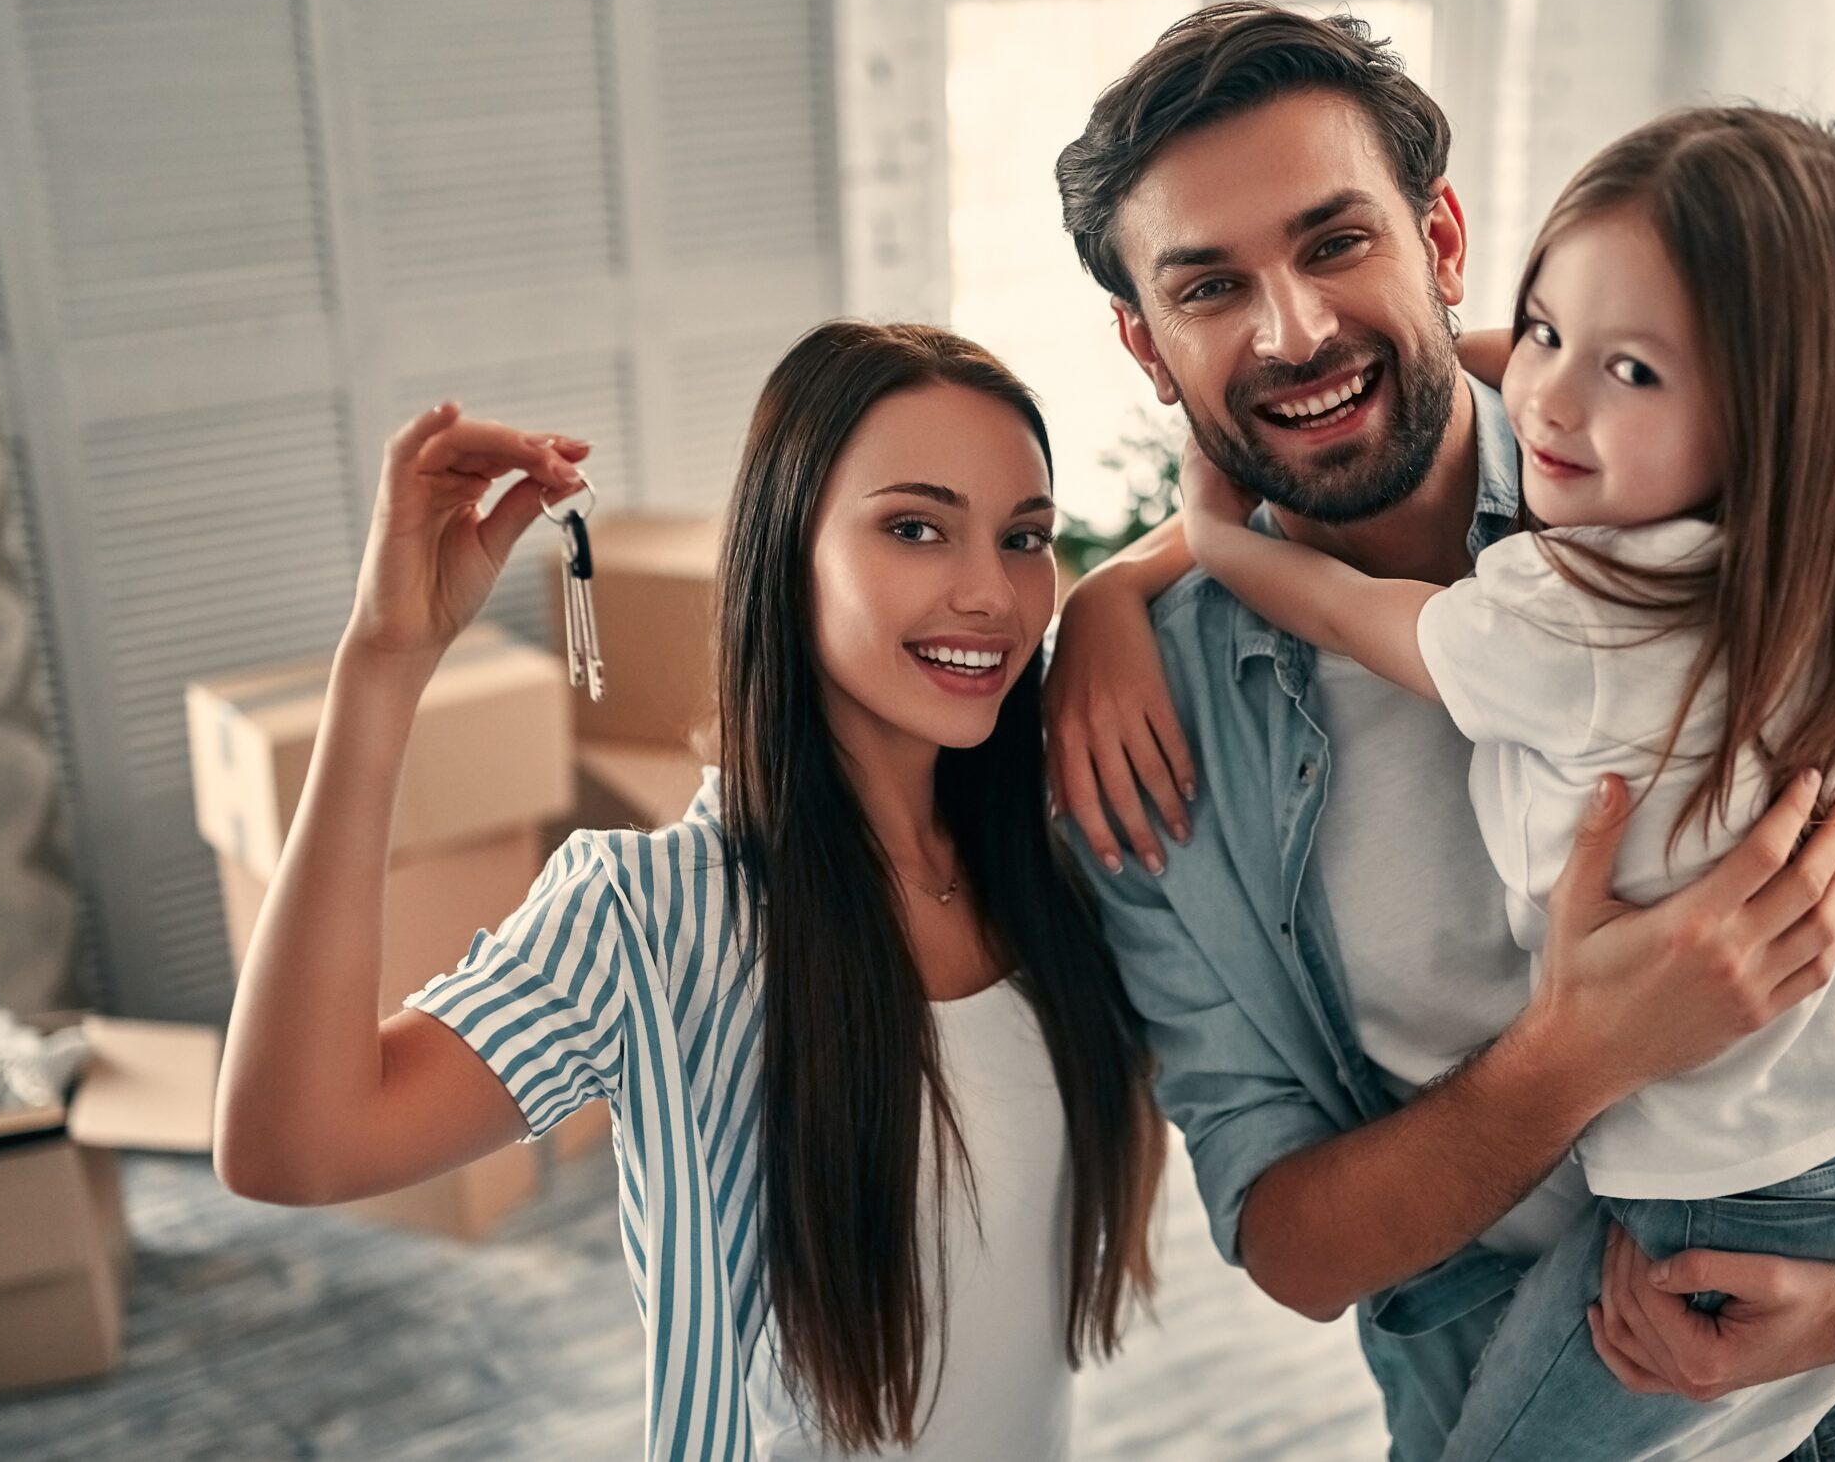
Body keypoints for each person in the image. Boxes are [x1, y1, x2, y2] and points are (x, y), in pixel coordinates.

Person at [1037, 0, 1835, 1461]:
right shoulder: (1147, 732)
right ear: (1144, 341)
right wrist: (1586, 1048)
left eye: (1336, 242)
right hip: (1535, 1404)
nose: (1295, 328)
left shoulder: (1777, 500)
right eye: (1208, 289)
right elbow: (1292, 1244)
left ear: (1440, 240)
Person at [213, 320, 1162, 1462]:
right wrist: (382, 661)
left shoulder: (1052, 857)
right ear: (785, 551)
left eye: (1024, 539)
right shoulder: (653, 917)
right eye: (915, 529)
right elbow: (291, 1146)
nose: (992, 594)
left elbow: (1237, 510)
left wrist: (1118, 591)